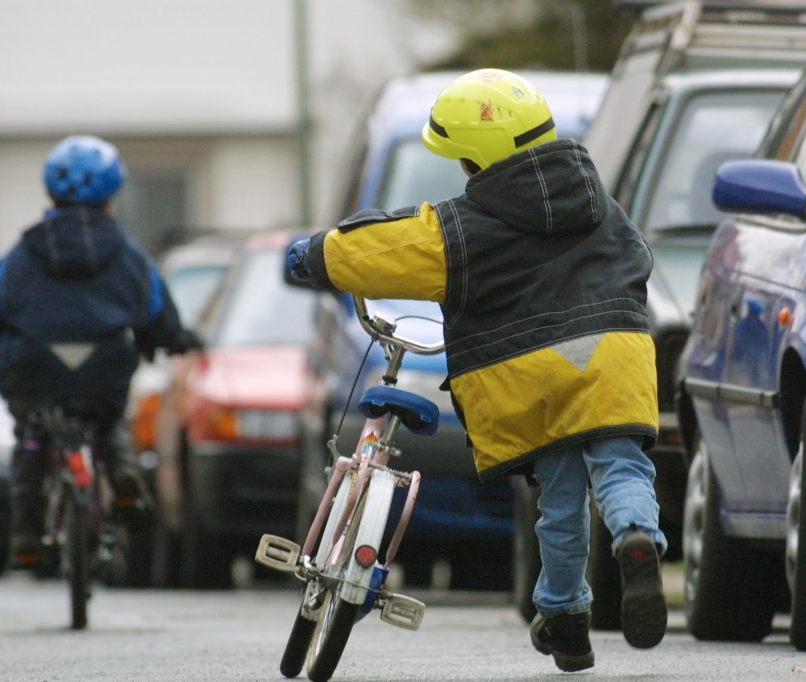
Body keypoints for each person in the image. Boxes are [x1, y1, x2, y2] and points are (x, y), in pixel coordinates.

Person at [286, 69, 667, 670]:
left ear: (474, 160)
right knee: (620, 464)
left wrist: (311, 257)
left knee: (560, 499)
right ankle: (635, 536)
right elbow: (640, 261)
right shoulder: (601, 203)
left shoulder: (461, 228)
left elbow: (387, 248)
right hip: (613, 354)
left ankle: (567, 617)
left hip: (531, 372)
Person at [0, 135, 202, 569]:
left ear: (49, 191)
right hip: (104, 366)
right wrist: (173, 338)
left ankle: (27, 532)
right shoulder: (130, 256)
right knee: (105, 422)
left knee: (31, 433)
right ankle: (119, 468)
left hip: (34, 368)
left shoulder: (20, 254)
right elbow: (155, 309)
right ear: (113, 193)